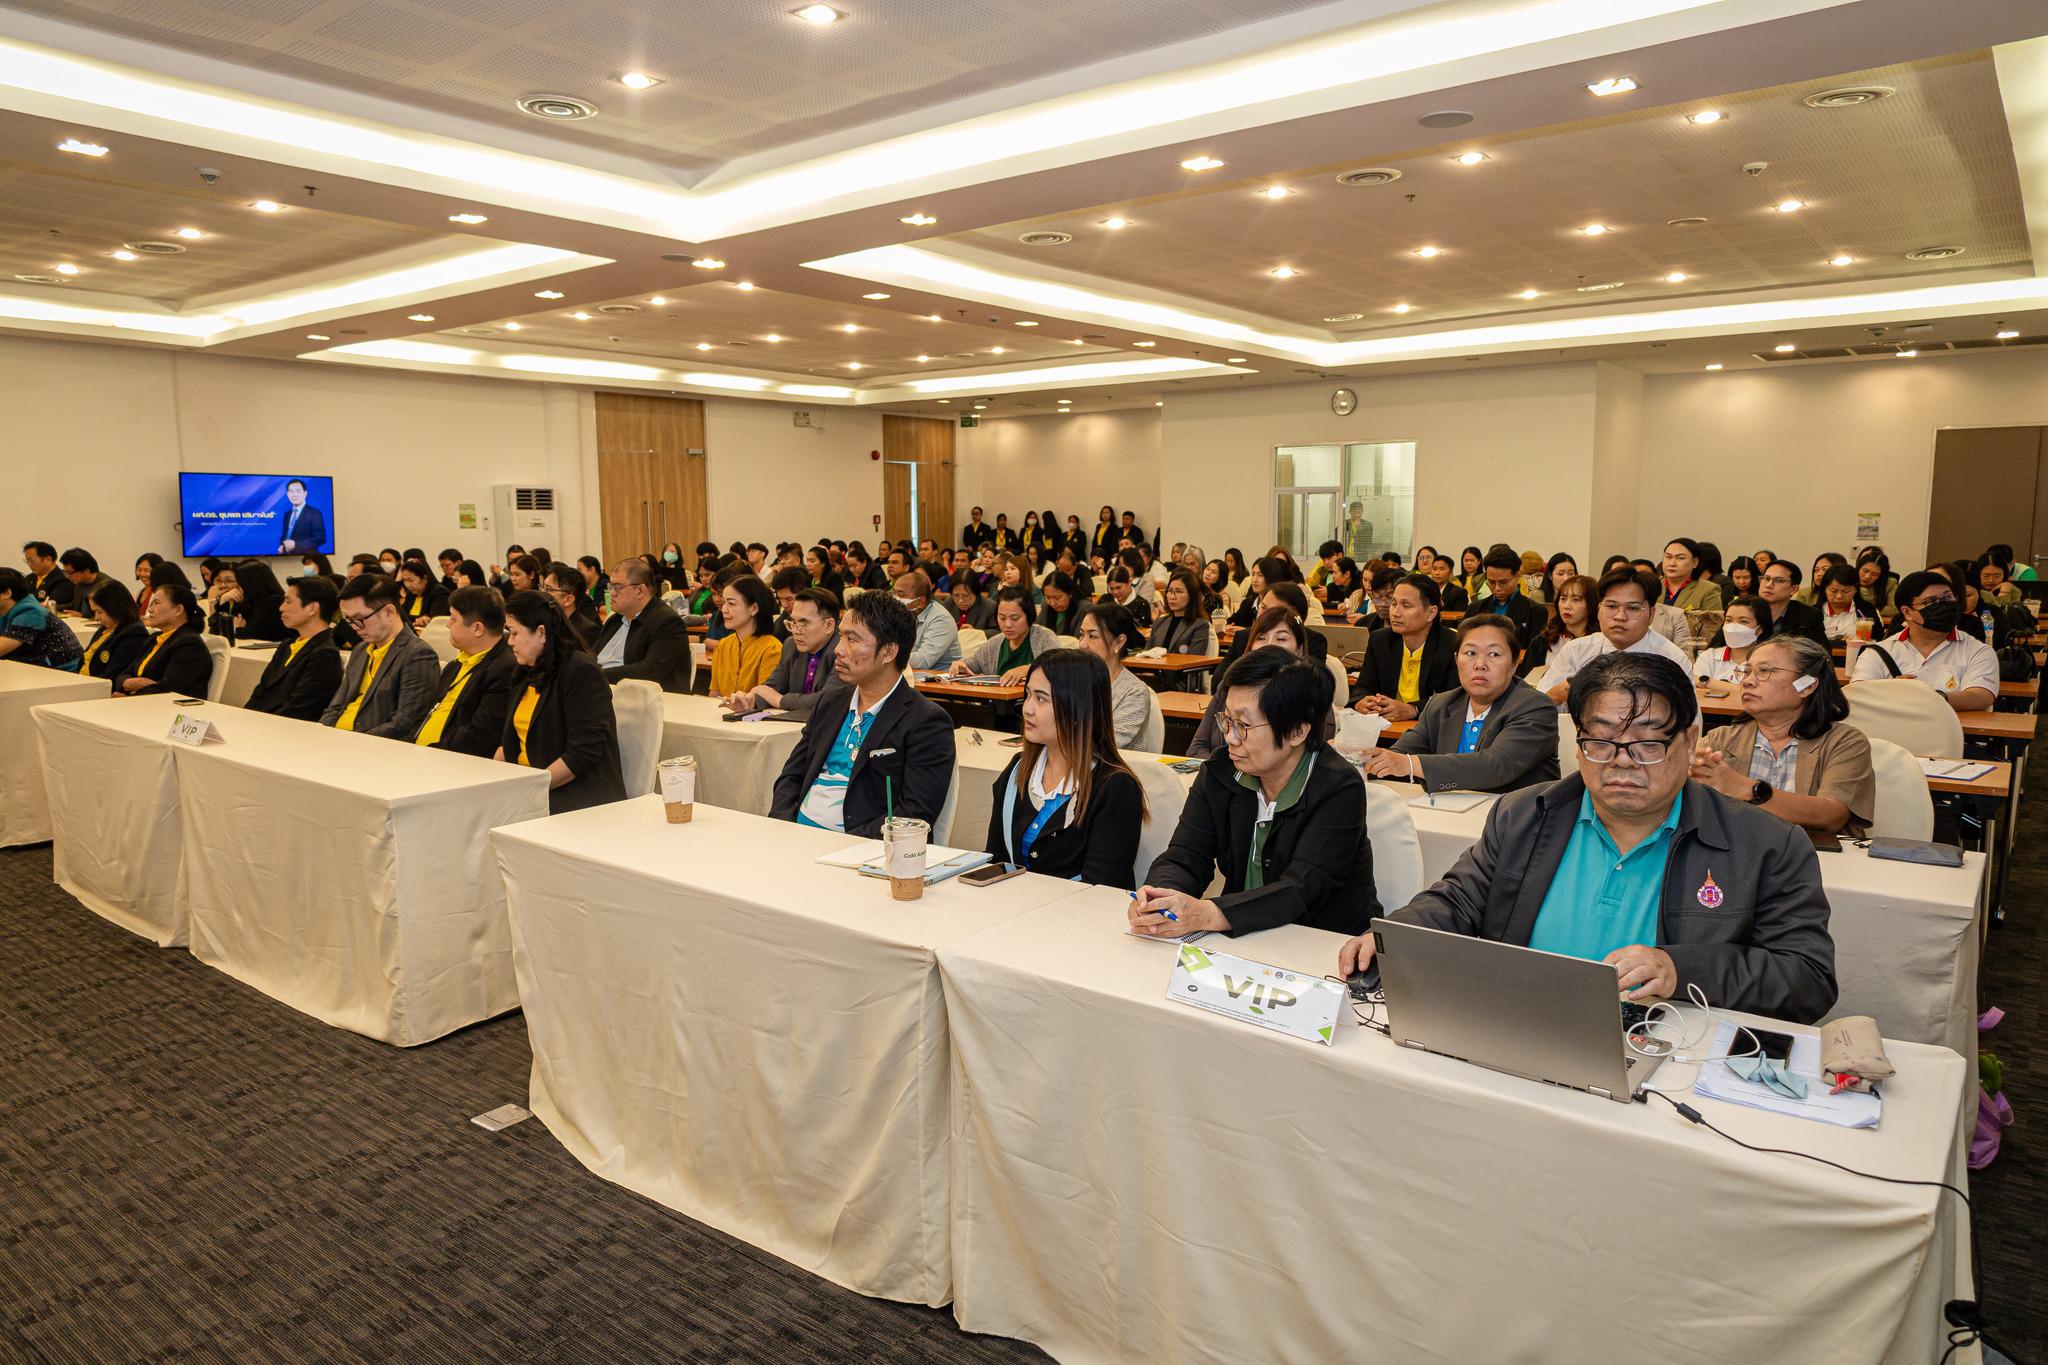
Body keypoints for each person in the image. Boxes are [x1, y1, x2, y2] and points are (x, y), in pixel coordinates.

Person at [1340, 652, 1838, 1022]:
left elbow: (1807, 980)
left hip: (1665, 1042)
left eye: (1646, 742)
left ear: (1688, 742)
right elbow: (1459, 901)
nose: (1621, 760)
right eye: (1600, 741)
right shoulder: (1526, 814)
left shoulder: (1768, 845)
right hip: (1521, 1021)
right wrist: (1391, 937)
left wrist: (1677, 969)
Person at [1132, 648, 1377, 937]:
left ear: (1297, 731)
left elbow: (1301, 889)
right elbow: (1185, 855)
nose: (1229, 737)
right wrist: (1160, 898)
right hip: (1244, 937)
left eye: (1243, 725)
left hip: (1325, 944)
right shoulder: (1221, 771)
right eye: (1227, 720)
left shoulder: (1338, 787)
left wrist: (1209, 913)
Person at [770, 591, 955, 835]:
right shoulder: (832, 702)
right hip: (796, 838)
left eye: (852, 640)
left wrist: (842, 845)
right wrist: (781, 825)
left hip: (860, 852)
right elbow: (792, 775)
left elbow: (913, 813)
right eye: (840, 637)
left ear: (888, 652)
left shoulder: (926, 721)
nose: (838, 650)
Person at [985, 649, 1146, 886]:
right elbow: (996, 861)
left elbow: (1104, 886)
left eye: (1041, 698)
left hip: (1078, 918)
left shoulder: (1114, 787)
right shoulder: (1018, 772)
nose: (1027, 708)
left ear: (1078, 708)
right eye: (1027, 695)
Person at [1692, 635, 1873, 838]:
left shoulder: (1844, 742)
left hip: (1816, 858)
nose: (1748, 682)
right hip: (1738, 857)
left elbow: (1831, 815)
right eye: (1747, 671)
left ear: (1806, 686)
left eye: (1765, 671)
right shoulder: (1720, 740)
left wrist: (1741, 787)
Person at [1362, 614, 1559, 792]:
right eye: (1470, 653)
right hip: (1449, 817)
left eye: (1494, 655)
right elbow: (1400, 755)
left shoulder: (1535, 707)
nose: (1480, 664)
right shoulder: (1440, 704)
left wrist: (1410, 764)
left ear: (1515, 663)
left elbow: (1496, 766)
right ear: (1456, 659)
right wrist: (1360, 757)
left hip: (1517, 821)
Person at [495, 591, 626, 814]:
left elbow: (582, 753)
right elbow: (510, 744)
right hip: (531, 786)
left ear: (541, 632)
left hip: (575, 795)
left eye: (515, 633)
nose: (510, 641)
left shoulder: (581, 671)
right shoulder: (524, 671)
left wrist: (531, 789)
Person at [1189, 606, 1337, 758]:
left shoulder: (1311, 692)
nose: (1269, 644)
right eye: (1261, 638)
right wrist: (1223, 773)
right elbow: (1197, 746)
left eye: (1281, 638)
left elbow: (1312, 756)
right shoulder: (1231, 686)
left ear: (1299, 649)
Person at [1849, 570, 1999, 710]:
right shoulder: (1878, 652)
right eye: (1931, 602)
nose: (1943, 606)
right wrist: (1890, 689)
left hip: (1953, 733)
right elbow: (1856, 694)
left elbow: (1981, 696)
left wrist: (1923, 696)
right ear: (1907, 612)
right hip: (1890, 734)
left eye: (1948, 598)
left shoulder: (1978, 651)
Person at [1542, 567, 1693, 704]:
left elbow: (1690, 725)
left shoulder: (1672, 659)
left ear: (1652, 614)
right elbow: (1537, 709)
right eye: (1612, 606)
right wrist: (1555, 697)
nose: (1620, 616)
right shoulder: (1575, 651)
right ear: (1599, 610)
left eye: (1633, 608)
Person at [402, 586, 520, 755]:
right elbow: (426, 713)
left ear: (477, 629)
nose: (448, 624)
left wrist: (429, 753)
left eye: (453, 618)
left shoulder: (504, 670)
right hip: (423, 754)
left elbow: (479, 735)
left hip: (452, 762)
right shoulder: (456, 664)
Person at [320, 576, 441, 737]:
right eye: (349, 620)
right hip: (338, 740)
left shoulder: (418, 654)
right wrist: (322, 732)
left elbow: (404, 722)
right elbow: (336, 706)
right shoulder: (361, 650)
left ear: (389, 612)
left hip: (373, 747)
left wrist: (354, 741)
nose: (355, 627)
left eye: (359, 619)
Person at [1349, 573, 1456, 719]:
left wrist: (1414, 709)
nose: (1395, 612)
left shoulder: (1452, 644)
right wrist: (1362, 702)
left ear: (1431, 613)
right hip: (1385, 727)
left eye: (1406, 605)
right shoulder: (1380, 640)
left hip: (1433, 730)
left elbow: (1455, 698)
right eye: (1394, 603)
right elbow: (1363, 687)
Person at [725, 587, 841, 717]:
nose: (796, 630)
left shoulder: (843, 652)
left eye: (803, 624)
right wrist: (751, 700)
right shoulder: (790, 645)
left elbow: (828, 700)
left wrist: (780, 700)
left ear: (829, 626)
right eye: (792, 622)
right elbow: (773, 686)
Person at [245, 575, 343, 720]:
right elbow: (260, 692)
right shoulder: (287, 646)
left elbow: (299, 709)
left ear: (312, 608)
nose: (281, 607)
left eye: (288, 601)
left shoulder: (325, 655)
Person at [589, 559, 694, 693]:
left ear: (640, 590)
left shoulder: (667, 622)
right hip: (605, 692)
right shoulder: (615, 620)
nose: (612, 593)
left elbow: (649, 671)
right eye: (610, 586)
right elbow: (592, 656)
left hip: (650, 703)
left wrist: (596, 675)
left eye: (618, 587)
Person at [1075, 600, 1155, 750]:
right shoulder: (1073, 680)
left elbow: (1111, 743)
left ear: (1119, 642)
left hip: (1115, 769)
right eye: (1081, 634)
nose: (1082, 644)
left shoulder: (1134, 692)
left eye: (1092, 636)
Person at [112, 585, 211, 696]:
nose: (150, 610)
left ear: (178, 610)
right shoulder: (154, 638)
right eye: (151, 604)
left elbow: (170, 689)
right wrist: (127, 682)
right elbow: (125, 674)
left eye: (156, 603)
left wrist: (130, 696)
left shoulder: (189, 644)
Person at [953, 585, 1059, 684]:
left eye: (1015, 618)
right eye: (1002, 618)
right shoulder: (995, 643)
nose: (1007, 625)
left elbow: (1058, 667)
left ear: (1029, 616)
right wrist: (961, 665)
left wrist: (1028, 669)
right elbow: (973, 663)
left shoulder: (1045, 637)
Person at [708, 575, 783, 696]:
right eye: (724, 602)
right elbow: (714, 694)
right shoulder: (723, 645)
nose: (724, 609)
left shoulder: (772, 649)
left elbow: (765, 699)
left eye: (731, 604)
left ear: (753, 608)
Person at [0, 568, 85, 671]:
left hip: (61, 673)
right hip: (32, 669)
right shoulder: (6, 610)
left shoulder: (30, 611)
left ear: (6, 593)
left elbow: (2, 647)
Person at [1467, 546, 1545, 647]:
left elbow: (1536, 651)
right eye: (1491, 582)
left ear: (1517, 576)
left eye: (1503, 582)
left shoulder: (1535, 611)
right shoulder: (1474, 609)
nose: (1497, 588)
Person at [887, 569, 961, 670]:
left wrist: (886, 656)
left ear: (921, 601)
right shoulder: (900, 613)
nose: (895, 598)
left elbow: (923, 661)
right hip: (909, 674)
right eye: (894, 593)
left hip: (940, 679)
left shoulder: (941, 620)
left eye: (901, 594)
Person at [80, 580, 151, 681]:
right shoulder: (106, 628)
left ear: (115, 607)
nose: (96, 617)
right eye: (94, 612)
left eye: (100, 612)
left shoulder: (133, 635)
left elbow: (113, 675)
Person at [1523, 572, 1594, 675]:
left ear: (1591, 604)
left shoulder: (1599, 643)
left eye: (1576, 599)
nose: (1567, 606)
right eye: (1563, 599)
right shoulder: (1543, 641)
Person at [1692, 595, 1770, 686]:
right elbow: (1697, 689)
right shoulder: (1709, 657)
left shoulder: (1769, 661)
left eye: (1743, 621)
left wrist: (1711, 684)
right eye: (1729, 620)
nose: (1733, 627)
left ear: (1759, 629)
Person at [1755, 559, 1827, 646]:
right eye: (1766, 579)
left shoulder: (1809, 617)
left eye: (1778, 580)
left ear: (1793, 589)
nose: (1768, 585)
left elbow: (1821, 654)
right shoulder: (1745, 609)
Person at [1148, 569, 1214, 656]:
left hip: (1179, 669)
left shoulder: (1200, 625)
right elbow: (1147, 654)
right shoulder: (1159, 622)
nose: (1172, 596)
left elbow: (1193, 661)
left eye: (1178, 591)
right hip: (1152, 669)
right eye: (1170, 591)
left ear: (1191, 595)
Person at [1659, 538, 1723, 613]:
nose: (1672, 563)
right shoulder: (1651, 585)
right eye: (1668, 557)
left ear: (1695, 562)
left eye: (1681, 558)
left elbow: (1713, 623)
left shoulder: (1708, 590)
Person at [541, 563, 598, 644]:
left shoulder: (587, 631)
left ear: (568, 600)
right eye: (542, 588)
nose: (542, 593)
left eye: (548, 589)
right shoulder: (546, 622)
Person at [1818, 565, 1875, 641]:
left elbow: (1878, 639)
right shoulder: (1815, 612)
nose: (1839, 596)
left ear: (1856, 589)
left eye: (1846, 591)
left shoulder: (1866, 610)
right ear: (1825, 589)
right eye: (1833, 591)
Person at [57, 549, 116, 619]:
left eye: (70, 572)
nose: (67, 576)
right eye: (65, 572)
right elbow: (74, 604)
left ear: (86, 570)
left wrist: (83, 616)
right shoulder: (80, 583)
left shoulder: (106, 586)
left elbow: (111, 615)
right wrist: (53, 607)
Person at [276, 477, 326, 553]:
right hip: (287, 557)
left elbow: (320, 538)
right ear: (287, 494)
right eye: (291, 491)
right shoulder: (287, 514)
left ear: (305, 493)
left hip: (308, 559)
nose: (294, 494)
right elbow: (285, 536)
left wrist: (296, 545)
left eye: (298, 491)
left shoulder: (314, 512)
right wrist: (282, 545)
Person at [398, 559, 451, 626]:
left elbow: (436, 620)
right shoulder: (410, 595)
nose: (408, 585)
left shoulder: (439, 593)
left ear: (424, 579)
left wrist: (426, 620)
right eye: (405, 580)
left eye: (411, 580)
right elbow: (402, 618)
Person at [21, 541, 72, 610]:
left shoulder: (63, 579)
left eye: (32, 561)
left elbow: (53, 602)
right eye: (27, 561)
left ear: (48, 559)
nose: (29, 564)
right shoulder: (29, 578)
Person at [1038, 571, 1083, 637]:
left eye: (1057, 598)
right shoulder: (1046, 606)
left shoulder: (1084, 610)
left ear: (1070, 593)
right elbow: (1037, 633)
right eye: (1048, 597)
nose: (1052, 603)